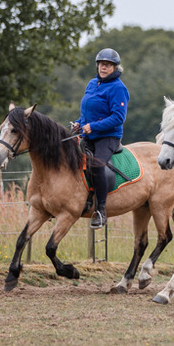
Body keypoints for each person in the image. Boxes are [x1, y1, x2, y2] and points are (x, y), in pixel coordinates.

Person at [71, 48, 130, 229]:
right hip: (89, 134)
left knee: (96, 166)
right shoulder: (92, 83)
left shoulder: (118, 88)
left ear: (114, 67)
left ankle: (101, 211)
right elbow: (88, 111)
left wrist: (93, 126)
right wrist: (80, 123)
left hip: (108, 137)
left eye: (108, 65)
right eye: (101, 64)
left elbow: (118, 117)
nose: (104, 68)